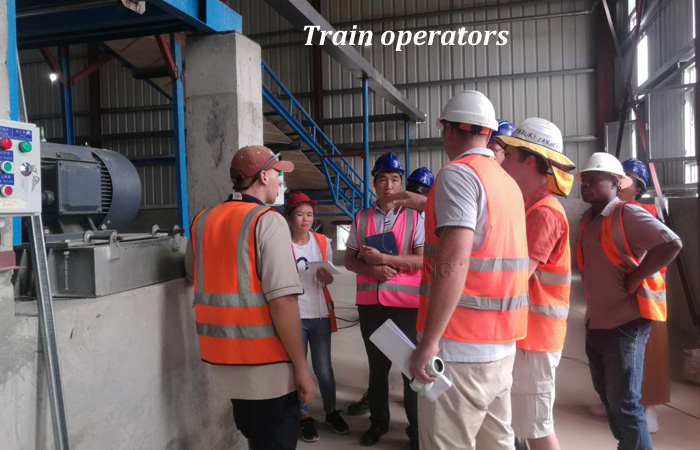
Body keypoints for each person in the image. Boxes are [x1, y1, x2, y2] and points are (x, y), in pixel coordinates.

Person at [410, 90, 529, 450]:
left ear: (447, 128)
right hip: (501, 346)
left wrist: (429, 344)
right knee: (498, 443)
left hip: (459, 351)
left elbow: (453, 264)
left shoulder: (458, 174)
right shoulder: (506, 182)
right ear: (487, 132)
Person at [186, 145, 315, 450]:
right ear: (262, 176)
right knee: (276, 441)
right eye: (277, 175)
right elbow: (282, 301)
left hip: (223, 357)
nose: (280, 182)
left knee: (255, 436)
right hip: (266, 363)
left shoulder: (202, 220)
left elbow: (193, 272)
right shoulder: (267, 221)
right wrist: (300, 366)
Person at [576, 152, 682, 450]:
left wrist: (637, 276)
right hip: (597, 319)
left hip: (626, 323)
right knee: (609, 397)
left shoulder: (626, 214)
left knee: (625, 404)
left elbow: (672, 243)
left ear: (614, 183)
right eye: (585, 179)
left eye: (594, 178)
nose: (586, 184)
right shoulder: (588, 220)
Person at [497, 118, 576, 450]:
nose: (504, 161)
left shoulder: (544, 213)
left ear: (529, 161)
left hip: (536, 338)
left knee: (536, 427)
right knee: (523, 424)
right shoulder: (532, 207)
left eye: (510, 155)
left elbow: (517, 276)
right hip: (528, 334)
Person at [344, 152, 425, 449]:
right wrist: (371, 269)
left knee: (409, 368)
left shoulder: (415, 218)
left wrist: (388, 260)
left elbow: (421, 260)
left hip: (405, 305)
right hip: (371, 305)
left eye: (395, 179)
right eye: (383, 179)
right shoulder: (361, 217)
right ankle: (378, 422)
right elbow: (350, 260)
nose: (389, 185)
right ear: (374, 184)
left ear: (402, 183)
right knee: (377, 368)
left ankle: (416, 429)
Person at [284, 192, 350, 442]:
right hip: (294, 316)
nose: (305, 219)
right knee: (298, 369)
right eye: (300, 214)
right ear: (289, 217)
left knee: (324, 369)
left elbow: (330, 275)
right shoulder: (282, 243)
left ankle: (331, 411)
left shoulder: (322, 241)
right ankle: (303, 416)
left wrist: (327, 278)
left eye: (309, 215)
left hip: (319, 314)